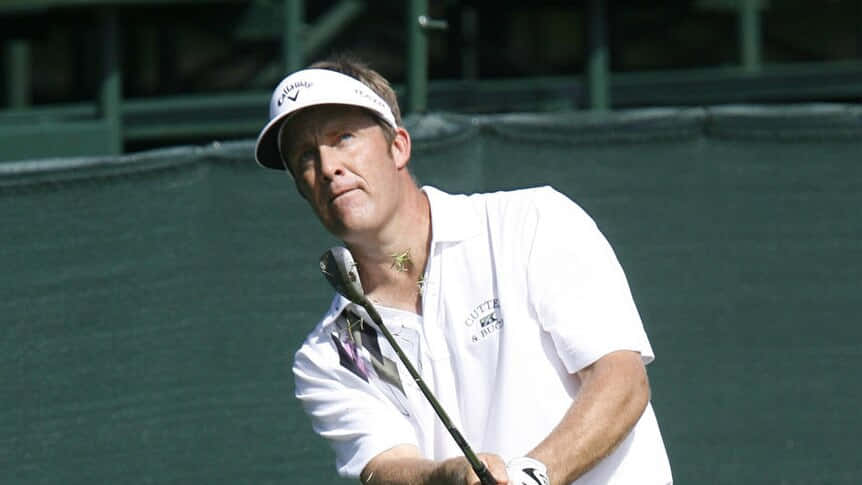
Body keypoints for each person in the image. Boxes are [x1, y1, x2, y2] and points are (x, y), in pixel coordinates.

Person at [254, 54, 673, 485]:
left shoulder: (533, 221)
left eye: (342, 137)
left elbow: (621, 381)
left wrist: (531, 476)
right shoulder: (328, 353)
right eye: (305, 156)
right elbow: (385, 466)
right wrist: (448, 475)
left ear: (398, 146)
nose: (327, 168)